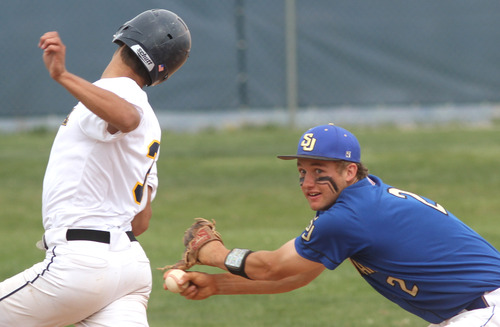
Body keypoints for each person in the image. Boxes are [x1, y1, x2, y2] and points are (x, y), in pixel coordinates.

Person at [166, 123, 500, 327]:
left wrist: (214, 253)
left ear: (349, 170)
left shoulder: (349, 217)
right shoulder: (360, 200)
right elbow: (296, 276)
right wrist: (217, 285)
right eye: (301, 172)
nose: (307, 182)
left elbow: (270, 267)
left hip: (485, 310)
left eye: (318, 169)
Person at [0, 9, 191, 327]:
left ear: (125, 35)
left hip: (81, 265)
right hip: (128, 268)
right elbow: (141, 221)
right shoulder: (151, 124)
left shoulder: (119, 92)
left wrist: (62, 75)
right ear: (164, 72)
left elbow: (126, 118)